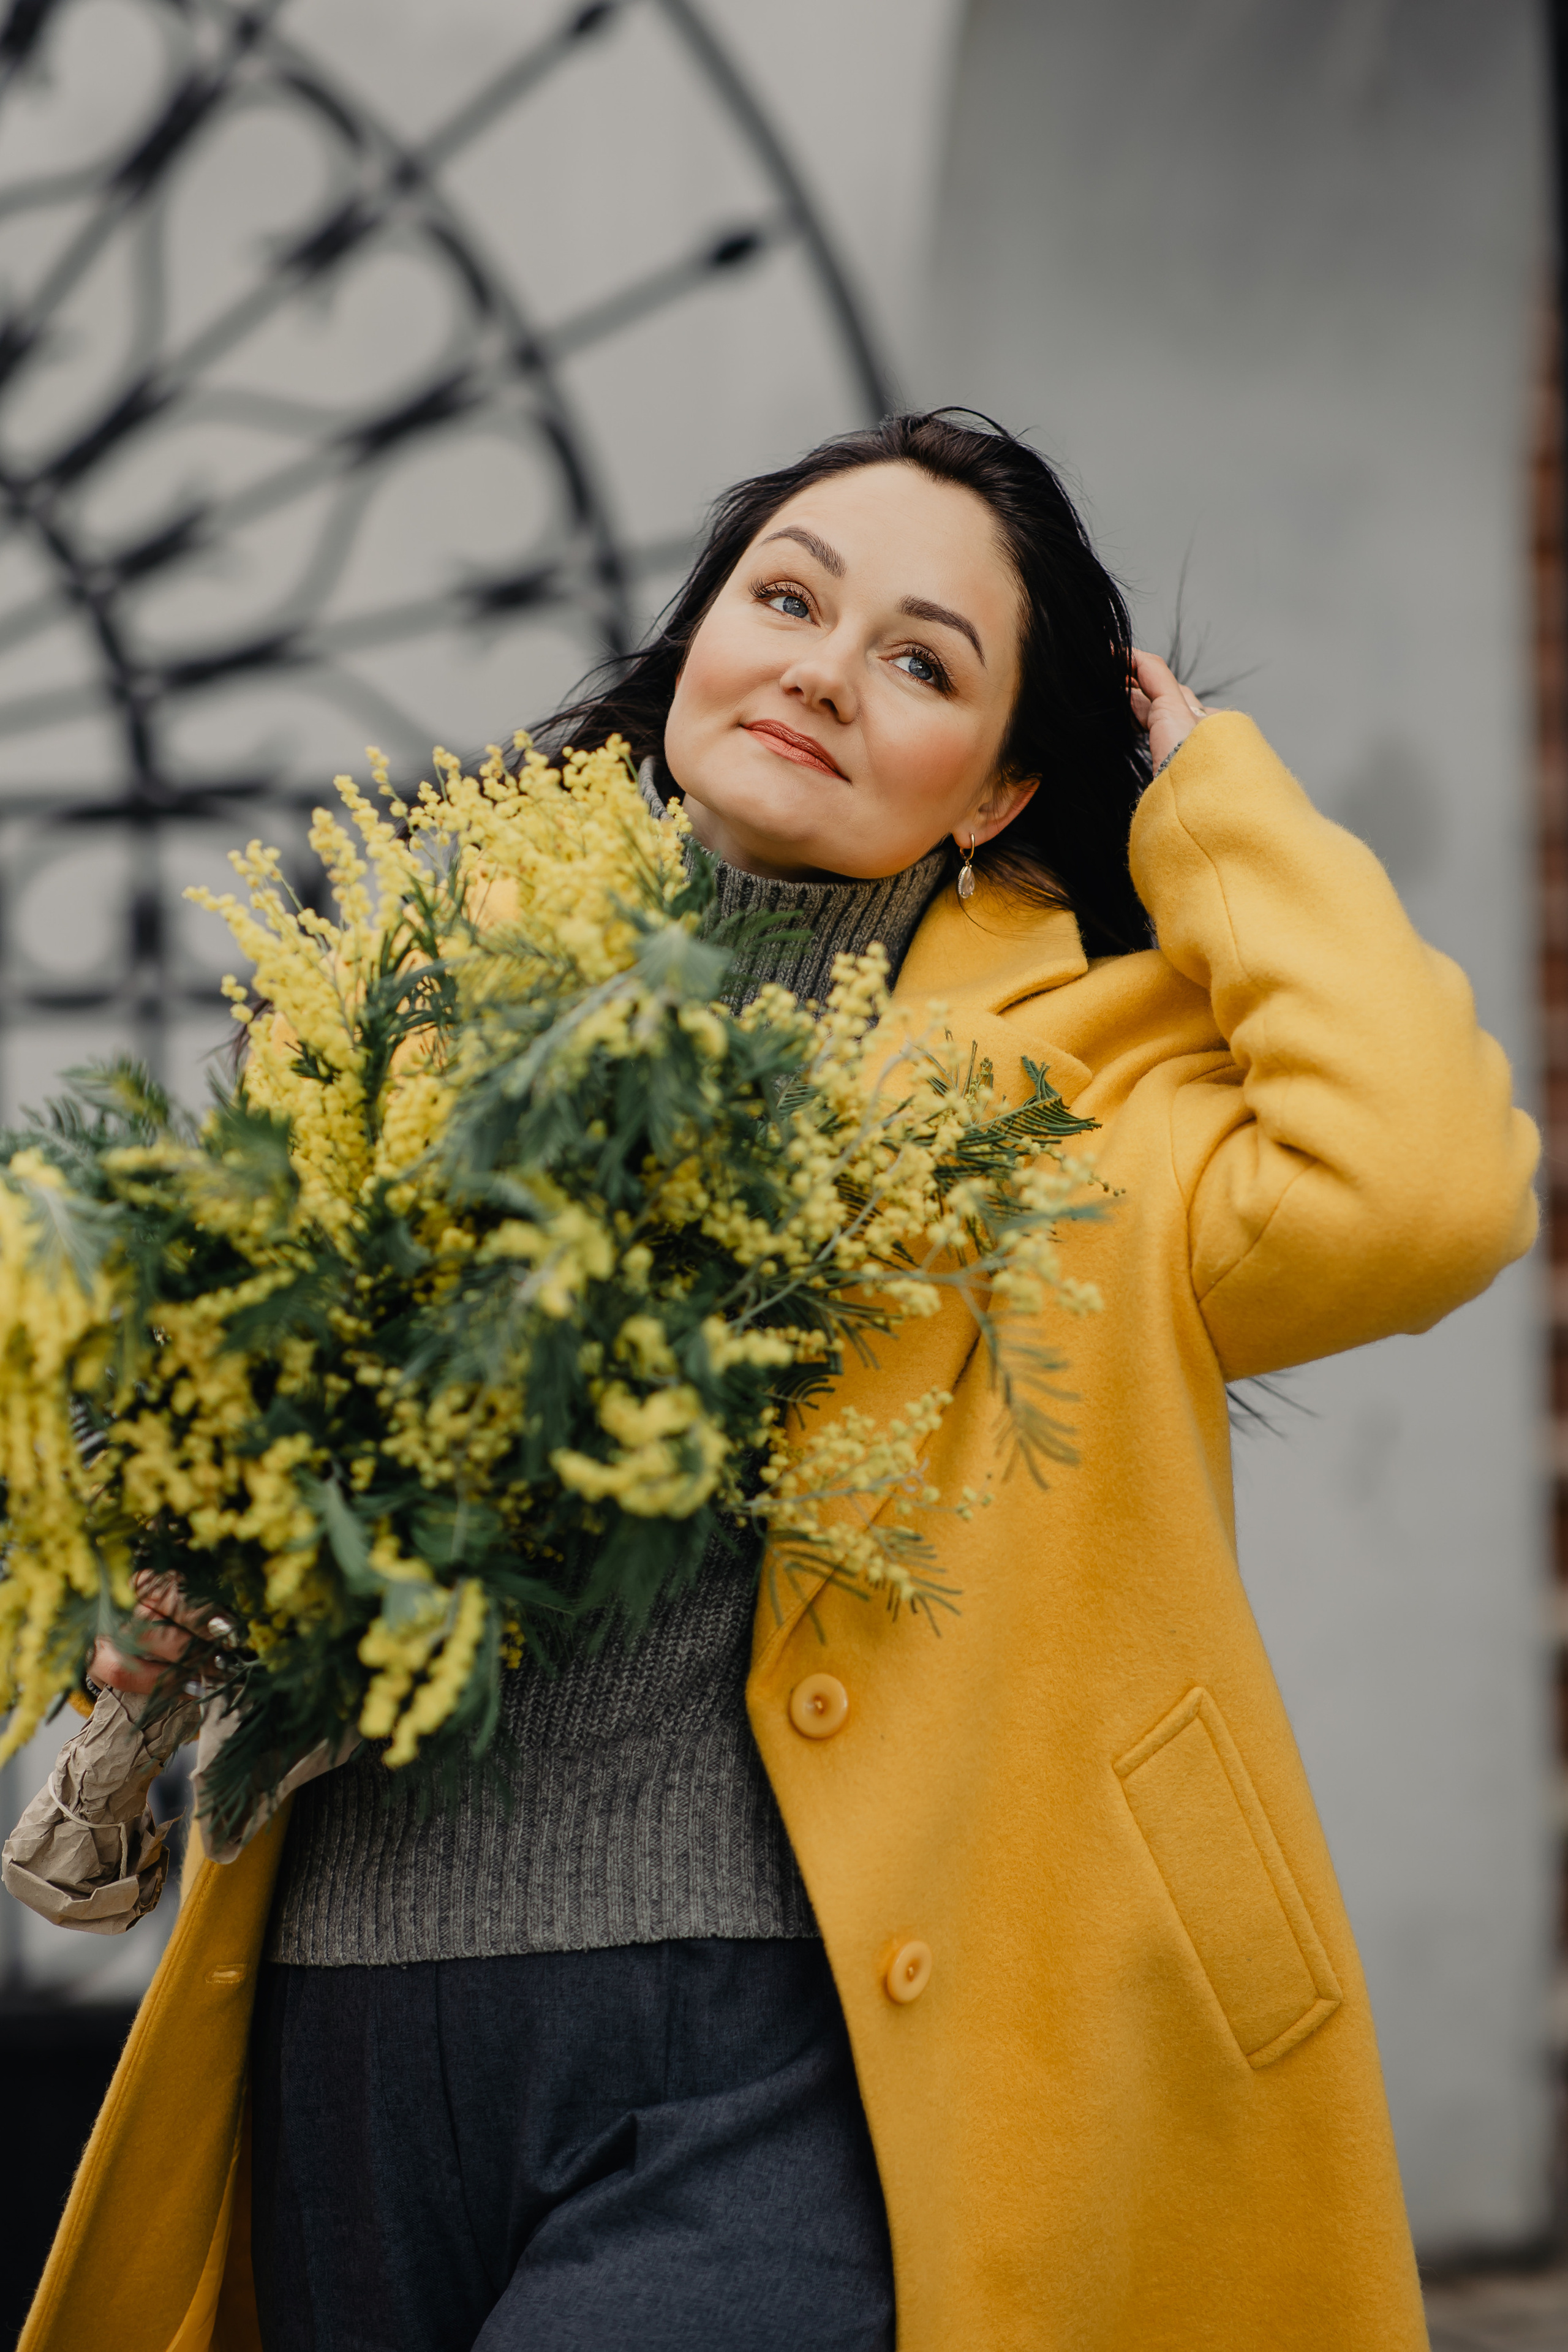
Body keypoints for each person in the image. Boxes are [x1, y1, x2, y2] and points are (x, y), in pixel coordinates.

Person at [6, 412, 1537, 2352]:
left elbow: (1429, 1192)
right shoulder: (399, 1022)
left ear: (1001, 789)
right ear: (698, 645)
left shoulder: (1093, 1116)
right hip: (357, 2003)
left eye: (923, 660)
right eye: (787, 598)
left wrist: (1206, 790)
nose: (824, 663)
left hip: (791, 2055)